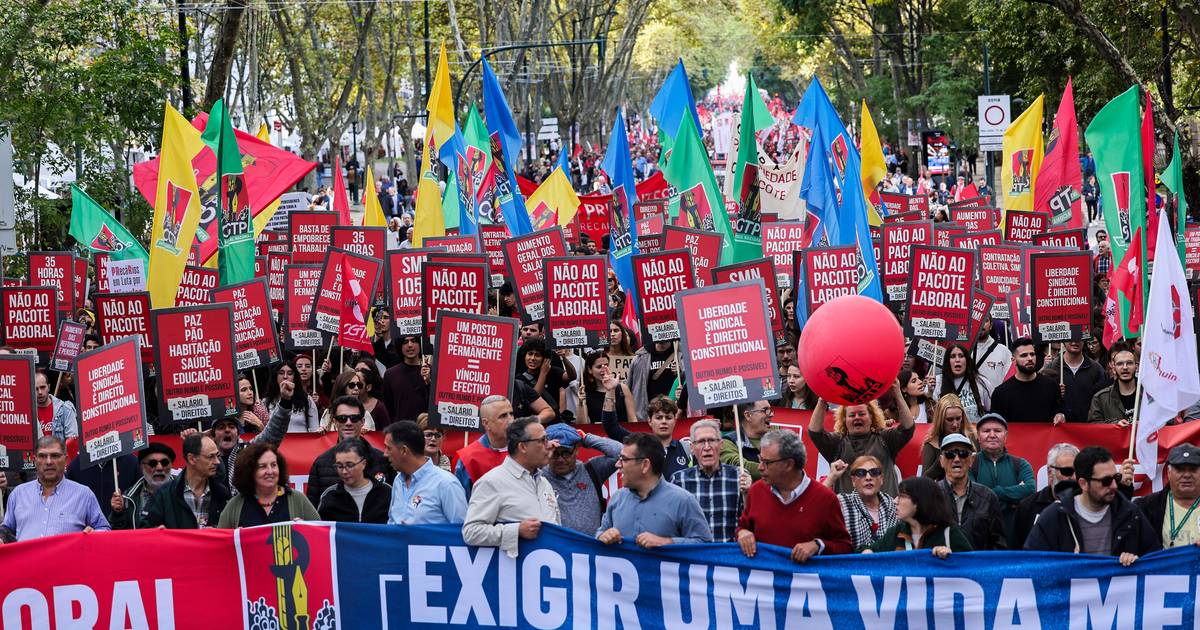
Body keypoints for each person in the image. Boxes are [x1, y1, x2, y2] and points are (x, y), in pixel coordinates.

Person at [1025, 446, 1160, 565]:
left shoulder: (1130, 513)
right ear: (1083, 483)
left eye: (1116, 478)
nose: (1114, 485)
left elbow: (1155, 560)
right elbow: (1032, 565)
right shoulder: (1055, 515)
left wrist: (1138, 562)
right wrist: (1064, 565)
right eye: (1106, 481)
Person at [736, 429, 853, 562]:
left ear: (789, 464)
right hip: (764, 579)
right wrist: (742, 533)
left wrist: (817, 546)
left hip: (804, 580)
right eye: (760, 460)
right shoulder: (756, 491)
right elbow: (743, 527)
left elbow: (845, 547)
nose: (760, 467)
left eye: (766, 462)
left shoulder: (825, 499)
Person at [462, 417, 560, 558]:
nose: (549, 445)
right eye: (542, 440)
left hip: (548, 570)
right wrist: (516, 530)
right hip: (514, 573)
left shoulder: (544, 483)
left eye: (547, 439)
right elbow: (471, 532)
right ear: (522, 447)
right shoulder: (492, 482)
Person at [597, 433, 712, 546]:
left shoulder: (683, 501)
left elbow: (705, 544)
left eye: (624, 459)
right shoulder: (616, 499)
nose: (617, 464)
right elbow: (600, 534)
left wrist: (668, 542)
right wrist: (602, 536)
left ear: (645, 465)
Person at [808, 380, 915, 496]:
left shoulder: (885, 438)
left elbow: (908, 428)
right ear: (844, 420)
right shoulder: (837, 442)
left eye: (861, 414)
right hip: (849, 512)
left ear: (871, 417)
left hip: (883, 511)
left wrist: (897, 392)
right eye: (852, 415)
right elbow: (815, 432)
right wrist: (822, 399)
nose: (856, 418)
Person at [0, 436, 109, 542]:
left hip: (68, 560)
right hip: (26, 560)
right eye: (42, 456)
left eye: (55, 456)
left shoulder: (84, 495)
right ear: (34, 460)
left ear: (66, 460)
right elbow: (6, 530)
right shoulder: (18, 494)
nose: (49, 462)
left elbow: (104, 529)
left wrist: (94, 534)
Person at [305, 396, 393, 506]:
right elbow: (312, 512)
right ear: (334, 422)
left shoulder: (383, 459)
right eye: (342, 418)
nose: (348, 423)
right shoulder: (321, 463)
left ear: (362, 421)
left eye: (354, 418)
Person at [671, 420, 748, 542]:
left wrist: (749, 493)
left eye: (712, 440)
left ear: (721, 445)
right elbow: (673, 525)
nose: (707, 447)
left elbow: (750, 522)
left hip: (728, 556)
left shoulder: (739, 476)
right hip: (694, 557)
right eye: (701, 442)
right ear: (692, 447)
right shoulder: (679, 480)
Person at [212, 378, 292, 492]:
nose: (227, 430)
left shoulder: (247, 451)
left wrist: (285, 402)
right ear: (213, 434)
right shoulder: (205, 457)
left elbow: (273, 432)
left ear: (238, 432)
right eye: (221, 427)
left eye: (231, 426)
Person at [542, 423, 623, 536]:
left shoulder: (592, 470)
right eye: (555, 453)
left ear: (576, 450)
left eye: (566, 452)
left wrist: (585, 438)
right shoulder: (539, 475)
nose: (560, 459)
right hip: (557, 549)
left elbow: (620, 452)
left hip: (590, 548)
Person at [383, 421, 467, 525]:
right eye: (428, 435)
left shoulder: (447, 484)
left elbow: (461, 532)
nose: (385, 454)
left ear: (404, 450)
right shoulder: (398, 481)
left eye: (389, 448)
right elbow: (392, 521)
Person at [865, 476, 973, 556]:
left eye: (902, 496)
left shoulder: (949, 533)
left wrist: (953, 557)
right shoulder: (896, 532)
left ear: (920, 501)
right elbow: (867, 551)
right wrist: (867, 552)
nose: (895, 501)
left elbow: (972, 566)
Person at [218, 444, 319, 527]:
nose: (270, 471)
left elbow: (320, 535)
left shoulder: (298, 500)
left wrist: (307, 529)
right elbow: (220, 543)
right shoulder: (235, 506)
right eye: (262, 466)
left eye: (274, 465)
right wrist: (234, 537)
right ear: (249, 471)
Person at [143, 434, 230, 529]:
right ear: (191, 459)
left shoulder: (222, 494)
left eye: (217, 456)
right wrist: (156, 531)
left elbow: (232, 531)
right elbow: (145, 529)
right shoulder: (164, 494)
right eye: (210, 457)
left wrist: (217, 530)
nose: (217, 461)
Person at [936, 434, 1006, 550]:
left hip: (978, 566)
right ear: (941, 461)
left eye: (963, 453)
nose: (957, 459)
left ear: (971, 460)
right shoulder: (930, 496)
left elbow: (998, 543)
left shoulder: (988, 497)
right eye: (950, 454)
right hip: (941, 565)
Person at [971, 413, 1035, 539]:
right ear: (978, 436)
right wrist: (1011, 501)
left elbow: (1030, 489)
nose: (992, 435)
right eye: (986, 431)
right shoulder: (970, 463)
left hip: (1013, 535)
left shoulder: (1021, 464)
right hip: (979, 536)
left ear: (1005, 436)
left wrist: (995, 492)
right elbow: (972, 495)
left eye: (997, 431)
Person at [602, 391, 692, 478]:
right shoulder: (641, 444)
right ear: (649, 421)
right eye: (659, 417)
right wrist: (610, 390)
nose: (664, 421)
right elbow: (611, 427)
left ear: (675, 421)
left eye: (668, 418)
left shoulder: (687, 449)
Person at [824, 455, 898, 551]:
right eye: (861, 473)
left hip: (888, 564)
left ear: (882, 479)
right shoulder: (842, 502)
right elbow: (813, 507)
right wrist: (831, 478)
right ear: (853, 481)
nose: (868, 477)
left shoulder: (893, 506)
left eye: (874, 472)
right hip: (852, 564)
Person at [1013, 443, 1080, 548]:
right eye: (1067, 471)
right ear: (1050, 472)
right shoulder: (1027, 507)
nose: (1074, 477)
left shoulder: (1089, 505)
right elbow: (1017, 550)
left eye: (1078, 471)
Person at [1134, 444, 1200, 548]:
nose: (1187, 475)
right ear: (1169, 473)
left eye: (1193, 469)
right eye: (1180, 469)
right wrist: (1124, 488)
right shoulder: (1146, 507)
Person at [989, 338, 1066, 424]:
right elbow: (997, 426)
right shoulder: (1001, 393)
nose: (1030, 358)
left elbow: (1060, 410)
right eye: (1024, 355)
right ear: (1013, 361)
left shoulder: (1051, 386)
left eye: (1032, 354)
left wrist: (1061, 415)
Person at [454, 396, 517, 495]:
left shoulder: (525, 450)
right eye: (503, 416)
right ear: (486, 423)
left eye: (511, 414)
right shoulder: (468, 459)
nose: (510, 420)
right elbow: (462, 504)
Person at [317, 440, 392, 523]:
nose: (344, 471)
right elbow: (321, 530)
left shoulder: (387, 492)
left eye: (350, 465)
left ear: (363, 464)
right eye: (339, 466)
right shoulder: (330, 496)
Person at [109, 443, 177, 530]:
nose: (159, 468)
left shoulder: (184, 490)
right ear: (142, 466)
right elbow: (119, 534)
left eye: (165, 462)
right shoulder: (129, 497)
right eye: (152, 463)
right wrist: (118, 513)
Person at [1041, 339, 1111, 423]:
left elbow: (1104, 400)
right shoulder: (1052, 367)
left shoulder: (1096, 369)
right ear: (1063, 340)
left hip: (1089, 428)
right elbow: (1043, 400)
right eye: (1070, 339)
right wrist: (1055, 392)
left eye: (1079, 338)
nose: (1075, 342)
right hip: (1061, 429)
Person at [921, 394, 977, 481]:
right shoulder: (932, 444)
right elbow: (924, 481)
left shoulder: (972, 437)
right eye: (950, 419)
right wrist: (942, 461)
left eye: (958, 418)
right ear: (941, 419)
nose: (955, 424)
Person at [932, 344, 992, 422]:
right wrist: (929, 393)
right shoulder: (937, 382)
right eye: (953, 356)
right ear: (947, 361)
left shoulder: (981, 382)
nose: (957, 360)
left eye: (961, 356)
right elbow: (932, 415)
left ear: (967, 360)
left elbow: (990, 411)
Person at [720, 399, 775, 480]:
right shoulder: (728, 442)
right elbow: (739, 466)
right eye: (765, 410)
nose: (771, 414)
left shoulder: (777, 437)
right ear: (748, 415)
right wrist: (777, 470)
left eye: (770, 410)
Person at [577, 351, 636, 423]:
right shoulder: (585, 392)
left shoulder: (623, 388)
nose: (603, 369)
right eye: (599, 367)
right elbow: (582, 424)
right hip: (598, 433)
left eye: (606, 365)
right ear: (590, 369)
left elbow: (633, 419)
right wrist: (581, 404)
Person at [516, 338, 572, 415]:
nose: (532, 358)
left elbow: (571, 376)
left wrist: (564, 359)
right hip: (535, 420)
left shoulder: (553, 371)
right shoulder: (520, 379)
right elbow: (534, 398)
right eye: (530, 354)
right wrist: (543, 374)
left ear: (545, 359)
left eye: (537, 355)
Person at [382, 335, 429, 423]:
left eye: (414, 340)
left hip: (426, 431)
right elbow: (388, 408)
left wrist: (428, 382)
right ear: (400, 346)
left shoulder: (431, 372)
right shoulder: (390, 374)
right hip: (401, 431)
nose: (410, 345)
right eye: (405, 342)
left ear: (420, 344)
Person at [264, 360, 320, 433]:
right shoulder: (266, 402)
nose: (285, 377)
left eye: (290, 374)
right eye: (281, 373)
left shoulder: (307, 400)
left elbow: (314, 430)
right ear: (275, 376)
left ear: (295, 377)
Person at [320, 370, 384, 431]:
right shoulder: (328, 413)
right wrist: (321, 431)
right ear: (342, 387)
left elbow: (370, 440)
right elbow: (322, 439)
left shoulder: (364, 414)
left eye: (359, 385)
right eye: (352, 385)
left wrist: (366, 432)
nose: (356, 388)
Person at [1088, 348, 1138, 425]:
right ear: (1114, 369)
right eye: (1120, 364)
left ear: (1136, 367)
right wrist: (1115, 424)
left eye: (1129, 363)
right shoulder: (1100, 398)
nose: (1125, 367)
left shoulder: (1149, 394)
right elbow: (1093, 427)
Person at [628, 340, 677, 420]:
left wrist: (682, 369)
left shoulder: (682, 354)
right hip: (646, 415)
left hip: (675, 413)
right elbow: (629, 388)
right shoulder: (639, 358)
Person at [972, 316, 1012, 390]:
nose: (981, 324)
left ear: (991, 326)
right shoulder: (964, 351)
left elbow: (1009, 381)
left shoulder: (1004, 351)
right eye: (977, 320)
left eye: (985, 320)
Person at [35, 369, 77, 440]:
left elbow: (72, 442)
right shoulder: (27, 415)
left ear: (48, 387)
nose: (40, 392)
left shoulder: (65, 410)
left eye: (42, 387)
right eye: (36, 389)